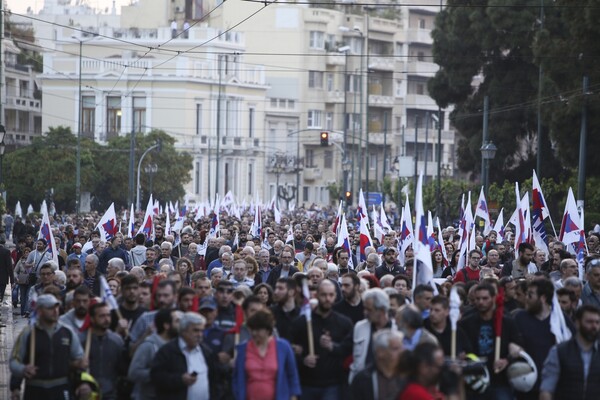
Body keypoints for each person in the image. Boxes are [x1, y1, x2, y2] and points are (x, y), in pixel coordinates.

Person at [10, 294, 87, 399]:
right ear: (40, 311)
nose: (55, 311)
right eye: (50, 308)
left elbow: (79, 358)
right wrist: (22, 370)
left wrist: (82, 382)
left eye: (56, 307)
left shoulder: (67, 332)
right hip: (35, 388)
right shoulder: (28, 334)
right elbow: (14, 361)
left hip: (61, 387)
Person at [513, 278, 574, 400]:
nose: (527, 299)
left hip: (555, 387)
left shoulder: (561, 322)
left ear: (543, 298)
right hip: (527, 386)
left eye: (530, 295)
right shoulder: (519, 318)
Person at [460, 283, 524, 400]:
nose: (481, 302)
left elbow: (519, 347)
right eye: (478, 298)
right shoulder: (466, 323)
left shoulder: (507, 322)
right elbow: (461, 347)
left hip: (500, 380)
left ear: (493, 298)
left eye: (485, 298)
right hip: (475, 380)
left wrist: (506, 360)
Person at [291, 279, 353, 399]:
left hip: (333, 384)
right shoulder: (302, 322)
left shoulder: (344, 323)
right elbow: (291, 350)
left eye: (331, 295)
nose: (327, 298)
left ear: (335, 296)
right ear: (317, 295)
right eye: (324, 295)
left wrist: (332, 347)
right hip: (307, 383)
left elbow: (349, 350)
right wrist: (303, 359)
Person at [232, 309, 301, 400]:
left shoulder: (283, 347)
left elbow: (292, 375)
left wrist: (293, 396)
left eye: (258, 330)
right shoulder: (243, 349)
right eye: (252, 329)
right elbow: (236, 378)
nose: (254, 333)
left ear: (268, 330)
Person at [150, 312, 220, 400]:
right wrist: (180, 380)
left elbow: (215, 380)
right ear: (183, 331)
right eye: (195, 330)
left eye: (202, 331)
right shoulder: (168, 351)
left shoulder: (207, 352)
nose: (200, 335)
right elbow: (156, 377)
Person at [540, 304, 600, 400]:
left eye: (597, 322)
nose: (594, 326)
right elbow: (547, 389)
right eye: (589, 322)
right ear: (577, 323)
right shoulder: (559, 352)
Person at [129, 309, 180, 400]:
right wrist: (158, 375)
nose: (181, 325)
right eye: (177, 321)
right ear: (166, 325)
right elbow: (134, 373)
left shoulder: (178, 346)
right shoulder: (148, 346)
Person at [349, 288, 393, 383]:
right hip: (361, 384)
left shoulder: (396, 329)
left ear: (381, 310)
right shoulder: (359, 327)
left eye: (369, 309)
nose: (365, 312)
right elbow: (344, 348)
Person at [83, 302, 126, 400]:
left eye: (108, 315)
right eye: (102, 316)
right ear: (92, 319)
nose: (106, 319)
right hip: (89, 394)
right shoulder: (82, 340)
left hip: (111, 394)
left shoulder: (117, 341)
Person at [350, 329, 405, 400]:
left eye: (402, 348)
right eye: (395, 349)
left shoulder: (407, 376)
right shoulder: (363, 379)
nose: (402, 352)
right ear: (380, 352)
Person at [270, 277, 299, 342]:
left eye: (280, 288)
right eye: (276, 288)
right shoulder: (269, 313)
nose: (276, 292)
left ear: (291, 292)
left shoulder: (301, 314)